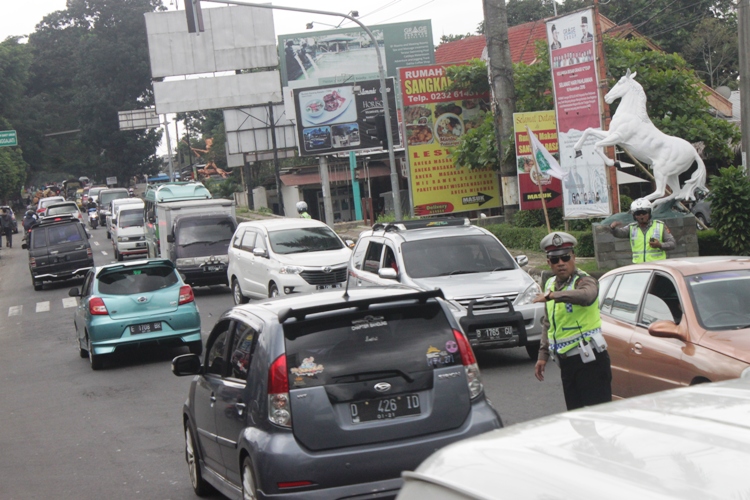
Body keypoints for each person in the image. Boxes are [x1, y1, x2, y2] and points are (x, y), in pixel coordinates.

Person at [533, 231, 612, 411]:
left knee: (599, 416)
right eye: (555, 260)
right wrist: (542, 355)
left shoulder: (584, 280)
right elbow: (548, 323)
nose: (561, 263)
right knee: (577, 418)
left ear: (574, 257)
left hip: (590, 361)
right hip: (567, 362)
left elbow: (587, 296)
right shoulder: (550, 284)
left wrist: (553, 296)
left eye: (565, 257)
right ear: (549, 263)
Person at [609, 198, 675, 263]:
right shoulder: (631, 227)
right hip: (640, 268)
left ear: (649, 213)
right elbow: (620, 233)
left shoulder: (660, 225)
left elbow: (672, 244)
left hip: (657, 267)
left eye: (644, 213)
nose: (641, 216)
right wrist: (613, 228)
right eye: (638, 214)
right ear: (634, 216)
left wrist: (660, 245)